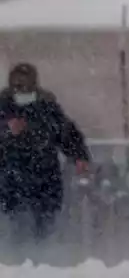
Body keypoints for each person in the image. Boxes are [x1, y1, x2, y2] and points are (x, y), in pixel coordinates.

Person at [0, 63, 91, 258]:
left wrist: (80, 156)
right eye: (18, 86)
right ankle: (14, 262)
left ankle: (43, 261)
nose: (22, 90)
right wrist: (7, 131)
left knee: (45, 227)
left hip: (45, 179)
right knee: (14, 227)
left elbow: (67, 134)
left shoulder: (47, 107)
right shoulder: (3, 107)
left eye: (26, 85)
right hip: (10, 181)